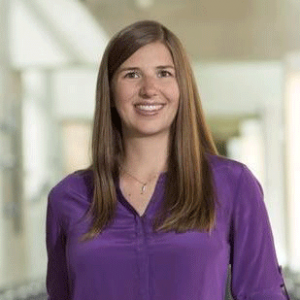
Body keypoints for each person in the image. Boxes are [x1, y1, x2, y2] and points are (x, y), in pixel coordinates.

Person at [46, 20, 290, 300]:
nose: (149, 89)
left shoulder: (232, 185)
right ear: (110, 92)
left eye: (164, 73)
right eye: (132, 75)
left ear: (182, 87)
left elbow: (263, 294)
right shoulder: (68, 197)